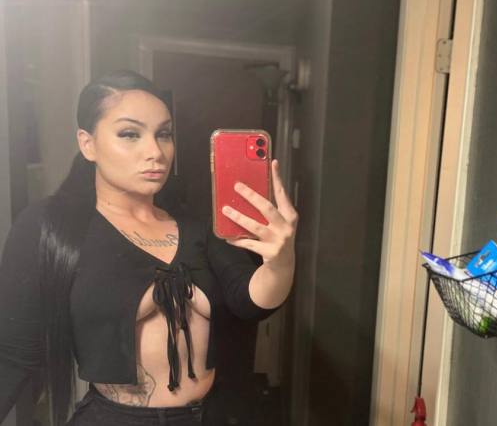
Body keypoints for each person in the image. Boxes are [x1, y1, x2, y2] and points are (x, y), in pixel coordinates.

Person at [0, 69, 297, 425]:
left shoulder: (198, 228)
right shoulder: (51, 227)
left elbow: (250, 300)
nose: (155, 152)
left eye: (164, 134)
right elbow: (15, 356)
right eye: (130, 134)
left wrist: (281, 260)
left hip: (210, 416)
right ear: (87, 143)